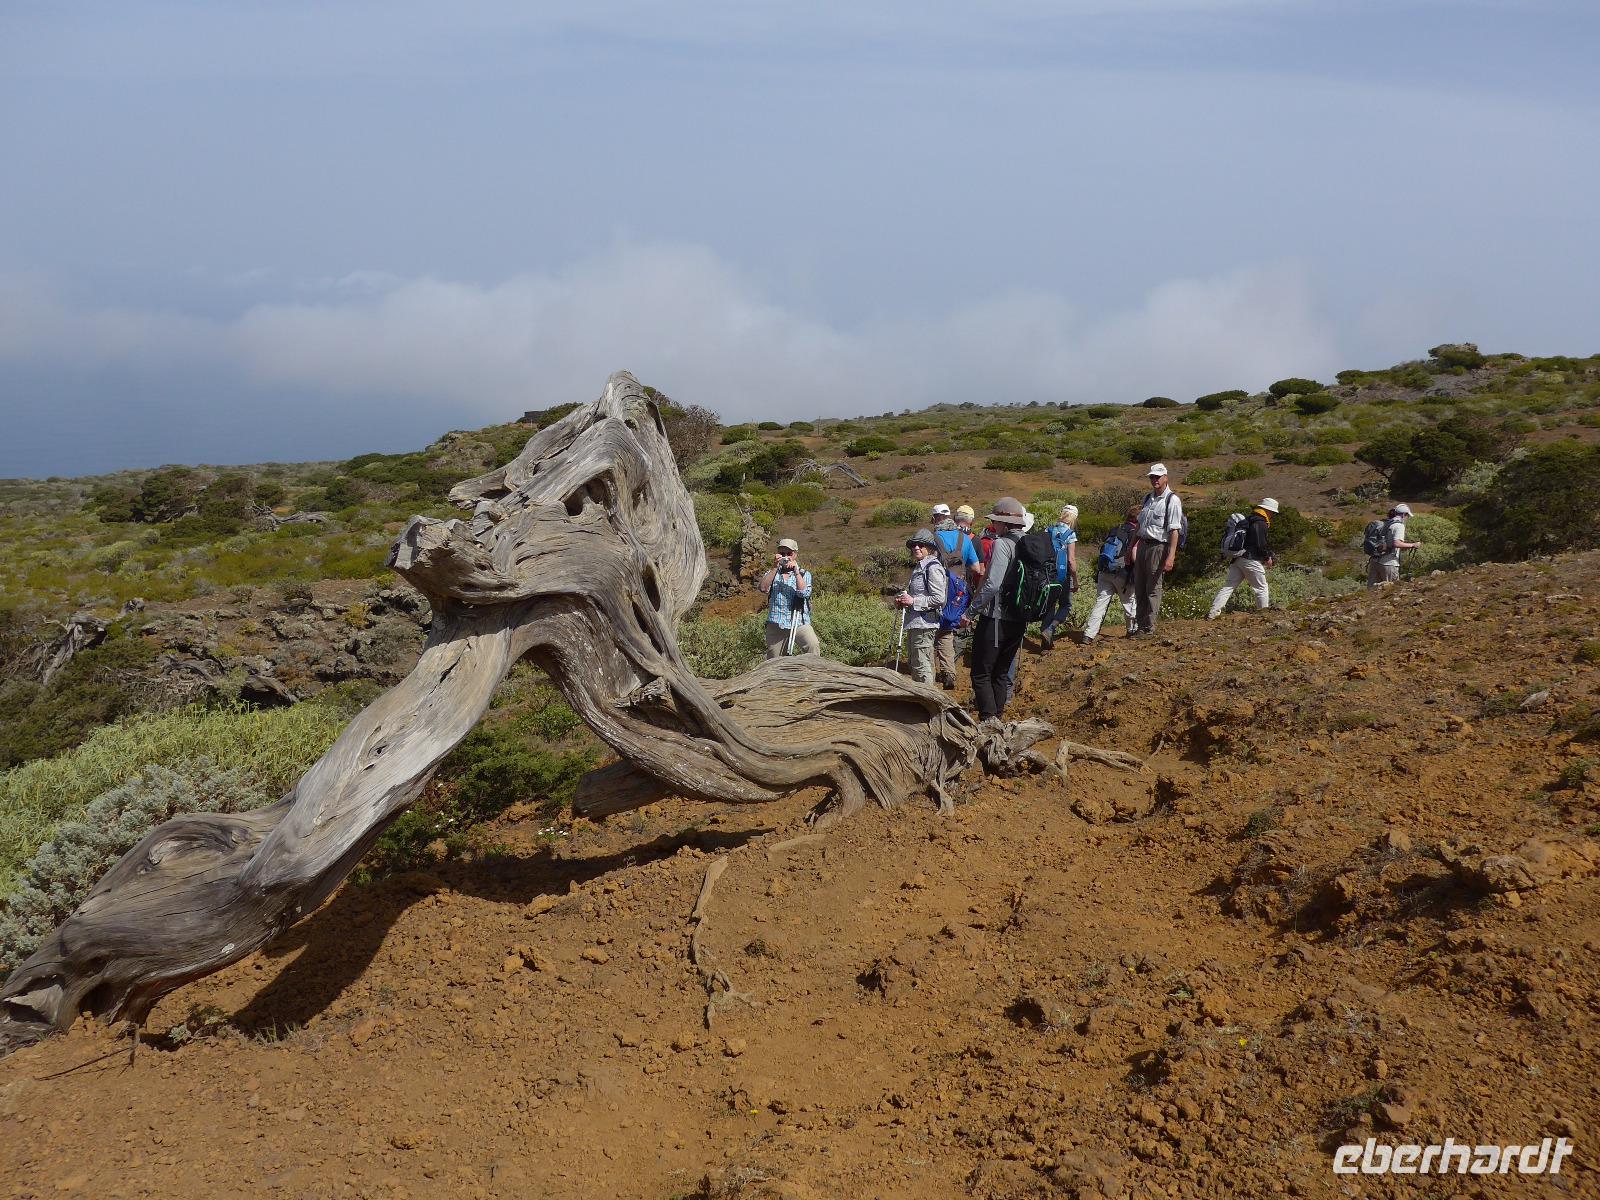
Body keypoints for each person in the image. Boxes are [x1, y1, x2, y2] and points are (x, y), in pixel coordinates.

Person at [968, 497, 1028, 722]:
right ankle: (998, 719)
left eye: (995, 522)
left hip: (996, 618)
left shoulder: (1003, 544)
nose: (994, 526)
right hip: (1019, 618)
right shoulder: (1029, 543)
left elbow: (992, 584)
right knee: (1001, 672)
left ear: (1003, 523)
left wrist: (971, 612)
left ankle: (988, 721)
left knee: (981, 673)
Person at [1130, 463, 1184, 637]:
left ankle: (1149, 627)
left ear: (1165, 477)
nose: (1154, 480)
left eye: (1157, 477)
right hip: (1143, 545)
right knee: (1139, 586)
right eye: (1152, 477)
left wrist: (1171, 556)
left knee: (1153, 587)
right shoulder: (1148, 498)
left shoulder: (1172, 500)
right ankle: (1140, 625)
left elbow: (1174, 530)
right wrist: (1130, 547)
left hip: (1158, 546)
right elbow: (1139, 525)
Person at [1208, 498, 1278, 619]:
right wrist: (1267, 557)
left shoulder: (1249, 519)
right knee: (1261, 588)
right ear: (1267, 510)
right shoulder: (1260, 523)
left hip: (1238, 559)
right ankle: (1264, 615)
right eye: (1272, 512)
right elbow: (1260, 543)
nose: (1272, 515)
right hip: (1250, 559)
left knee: (1229, 586)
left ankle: (1213, 613)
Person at [896, 528, 948, 685]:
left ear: (930, 548)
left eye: (921, 544)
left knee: (921, 665)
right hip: (916, 624)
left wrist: (913, 602)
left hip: (925, 624)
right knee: (918, 663)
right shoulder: (920, 567)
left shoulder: (932, 567)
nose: (916, 548)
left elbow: (939, 598)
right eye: (913, 545)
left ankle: (928, 702)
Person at [1082, 504, 1141, 642]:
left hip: (1105, 570)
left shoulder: (1116, 528)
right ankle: (1132, 631)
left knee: (1100, 603)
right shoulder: (1135, 533)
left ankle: (1088, 634)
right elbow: (1133, 556)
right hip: (1123, 573)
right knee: (1129, 603)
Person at [758, 537, 820, 657]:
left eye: (789, 553)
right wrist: (774, 567)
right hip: (776, 623)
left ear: (795, 554)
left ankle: (811, 673)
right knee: (774, 661)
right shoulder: (772, 572)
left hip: (799, 622)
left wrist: (796, 573)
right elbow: (763, 588)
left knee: (813, 645)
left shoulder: (804, 574)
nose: (786, 556)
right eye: (782, 553)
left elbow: (804, 593)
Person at [1039, 504, 1079, 649]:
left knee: (1049, 605)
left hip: (1046, 574)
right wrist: (1075, 580)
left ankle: (1045, 646)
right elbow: (1071, 561)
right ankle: (1050, 629)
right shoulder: (1070, 534)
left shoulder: (1048, 530)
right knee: (1066, 605)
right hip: (1063, 575)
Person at [1367, 503, 1421, 587]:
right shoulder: (1399, 525)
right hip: (1389, 563)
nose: (1407, 518)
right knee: (1391, 589)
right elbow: (1397, 543)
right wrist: (1413, 545)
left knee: (1372, 591)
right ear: (1404, 515)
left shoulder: (1385, 523)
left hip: (1375, 561)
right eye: (1407, 516)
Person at [931, 503, 980, 581]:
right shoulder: (965, 537)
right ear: (950, 518)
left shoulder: (932, 538)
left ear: (933, 519)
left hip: (939, 587)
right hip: (959, 588)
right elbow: (976, 568)